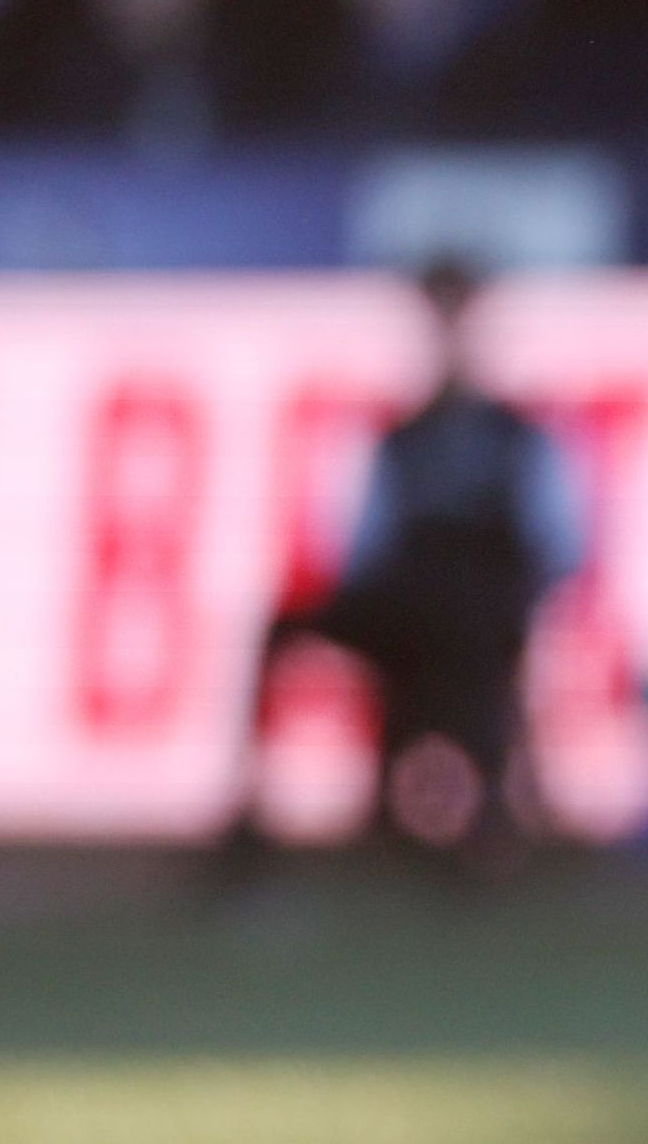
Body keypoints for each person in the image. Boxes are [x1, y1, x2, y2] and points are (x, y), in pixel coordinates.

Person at [223, 254, 578, 866]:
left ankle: (490, 822)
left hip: (483, 616)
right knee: (284, 627)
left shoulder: (518, 435)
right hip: (407, 608)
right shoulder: (401, 435)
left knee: (468, 635)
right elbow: (365, 549)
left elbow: (556, 546)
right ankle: (250, 816)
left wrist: (512, 604)